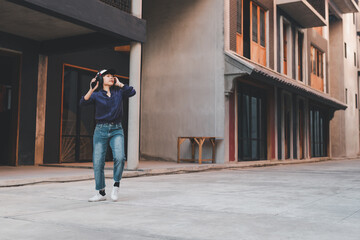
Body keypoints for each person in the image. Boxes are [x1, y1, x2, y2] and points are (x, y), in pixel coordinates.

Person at [79, 69, 136, 202]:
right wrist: (92, 89)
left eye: (112, 76)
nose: (111, 78)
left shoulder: (119, 92)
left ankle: (116, 185)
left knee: (120, 158)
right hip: (100, 130)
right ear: (101, 79)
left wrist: (120, 84)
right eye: (107, 76)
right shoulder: (97, 94)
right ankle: (101, 193)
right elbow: (83, 102)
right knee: (98, 162)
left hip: (117, 130)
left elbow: (132, 91)